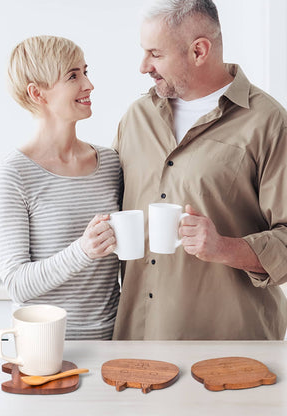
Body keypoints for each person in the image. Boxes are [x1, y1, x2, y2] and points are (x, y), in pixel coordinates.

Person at [113, 0, 287, 340]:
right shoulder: (136, 119)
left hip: (232, 348)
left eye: (156, 54)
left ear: (199, 50)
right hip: (137, 343)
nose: (143, 66)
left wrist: (224, 247)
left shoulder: (268, 123)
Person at [0, 36, 122, 340]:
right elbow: (16, 283)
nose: (89, 84)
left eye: (86, 72)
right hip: (46, 348)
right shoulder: (13, 173)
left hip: (115, 341)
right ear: (38, 93)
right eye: (73, 76)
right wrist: (83, 250)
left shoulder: (111, 162)